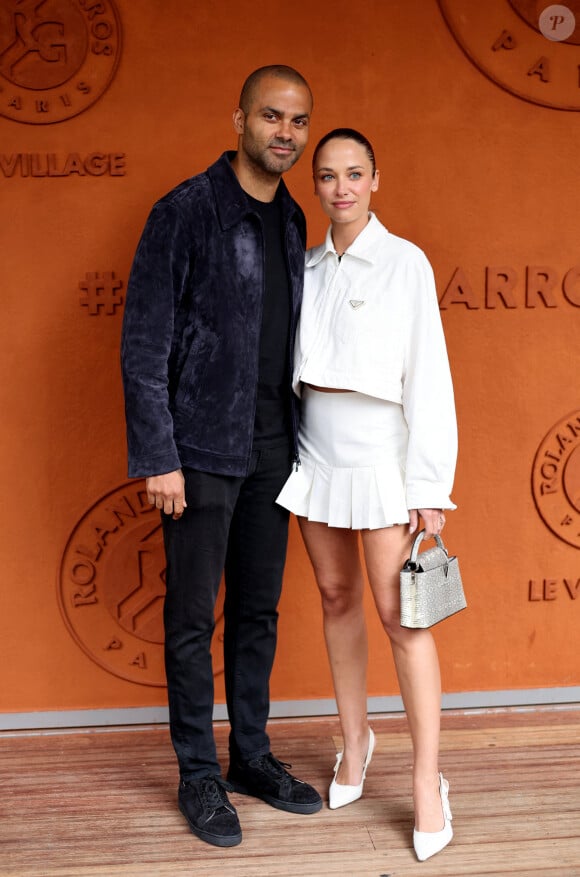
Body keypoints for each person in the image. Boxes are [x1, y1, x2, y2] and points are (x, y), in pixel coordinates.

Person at [121, 65, 322, 849]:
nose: (285, 132)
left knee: (257, 611)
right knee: (188, 617)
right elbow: (143, 344)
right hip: (199, 449)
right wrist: (158, 456)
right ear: (238, 117)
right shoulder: (187, 210)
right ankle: (198, 773)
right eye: (271, 116)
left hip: (275, 449)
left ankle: (251, 757)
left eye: (298, 122)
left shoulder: (295, 218)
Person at [276, 128, 458, 862]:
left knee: (402, 615)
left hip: (383, 456)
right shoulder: (307, 264)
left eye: (354, 174)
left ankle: (425, 779)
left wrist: (429, 484)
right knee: (335, 598)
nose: (341, 188)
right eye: (327, 176)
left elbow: (431, 376)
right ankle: (356, 740)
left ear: (377, 178)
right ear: (314, 185)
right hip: (316, 452)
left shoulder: (405, 261)